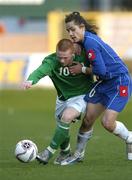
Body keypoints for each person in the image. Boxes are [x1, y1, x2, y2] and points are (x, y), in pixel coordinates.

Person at [60, 12, 132, 165]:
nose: (71, 34)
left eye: (73, 29)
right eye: (68, 31)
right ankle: (78, 154)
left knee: (107, 123)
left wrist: (82, 69)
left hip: (119, 81)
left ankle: (130, 138)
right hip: (105, 82)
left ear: (82, 27)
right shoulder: (86, 40)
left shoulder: (91, 43)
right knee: (87, 120)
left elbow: (101, 71)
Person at [22, 38, 94, 165]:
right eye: (59, 56)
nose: (61, 60)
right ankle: (65, 152)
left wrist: (84, 69)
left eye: (65, 57)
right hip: (62, 98)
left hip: (82, 96)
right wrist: (30, 80)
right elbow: (40, 71)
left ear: (73, 53)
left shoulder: (84, 57)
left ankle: (48, 152)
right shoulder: (51, 61)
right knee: (62, 125)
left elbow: (98, 69)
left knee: (66, 117)